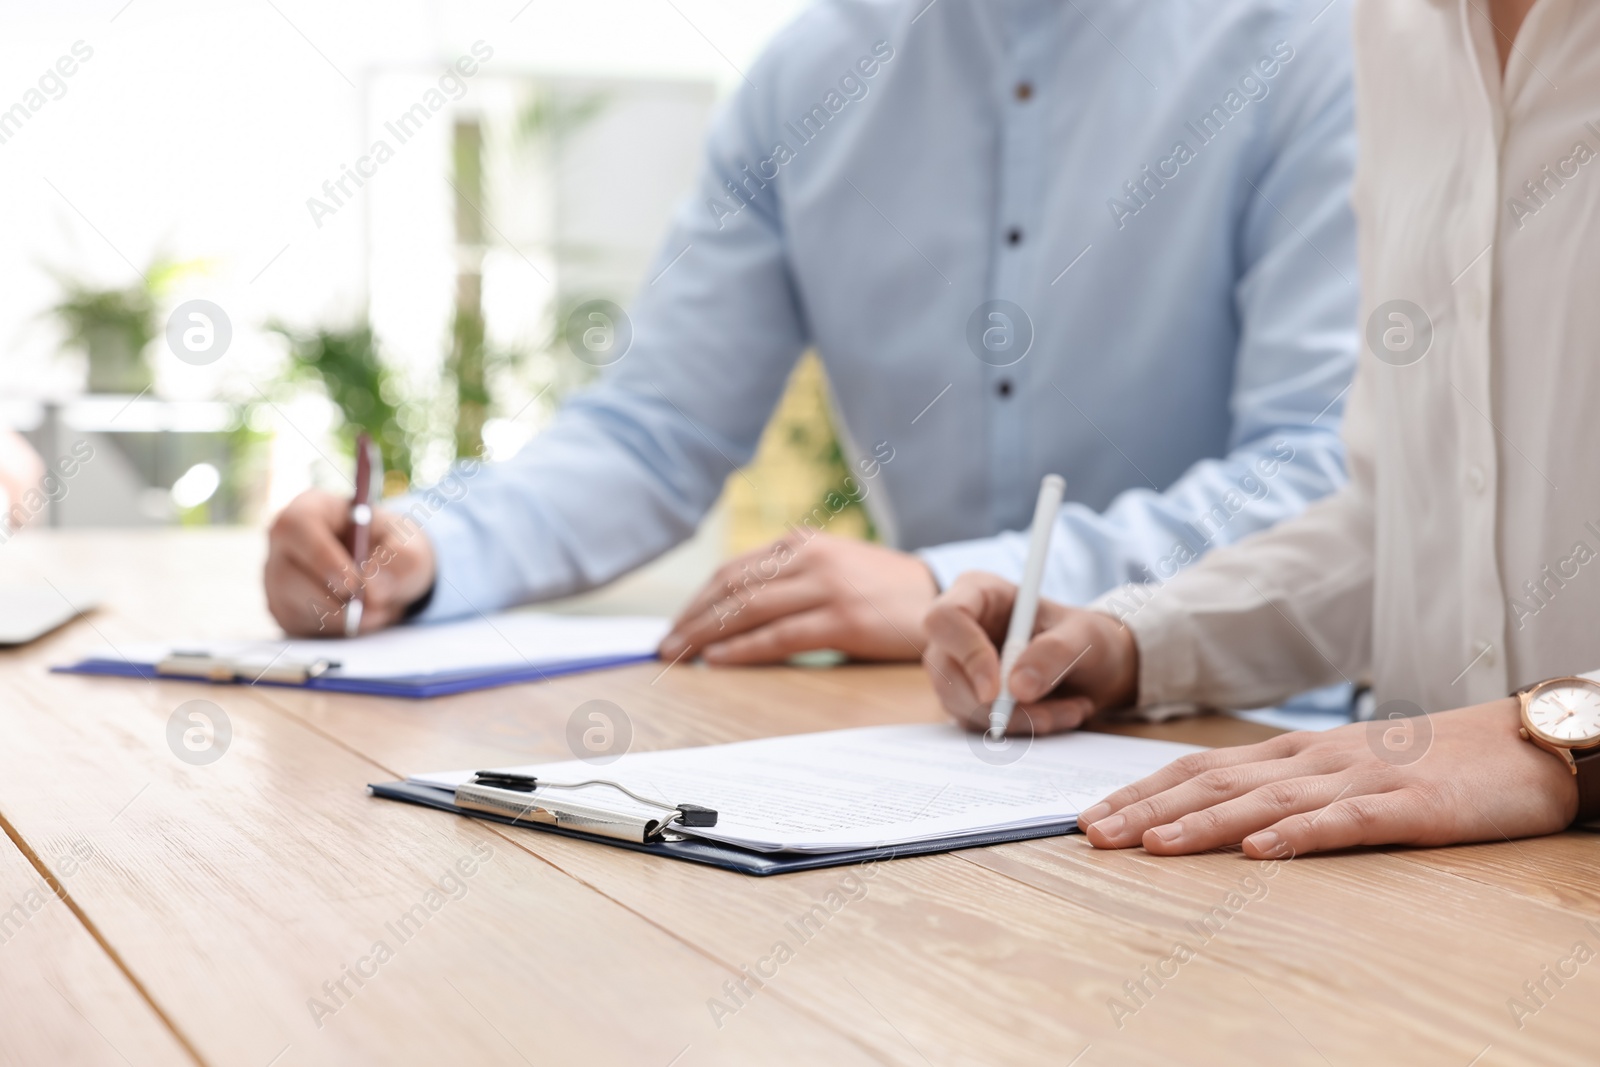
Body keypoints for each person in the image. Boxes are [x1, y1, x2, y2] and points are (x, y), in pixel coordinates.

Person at [265, 0, 1360, 677]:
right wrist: (425, 545)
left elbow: (1320, 473)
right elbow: (655, 429)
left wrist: (947, 580)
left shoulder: (1320, 46)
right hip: (914, 746)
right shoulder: (805, 72)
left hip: (1249, 736)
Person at [922, 0, 1597, 857]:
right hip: (1426, 903)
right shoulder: (1392, 32)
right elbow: (1399, 524)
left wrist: (1546, 736)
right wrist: (1133, 642)